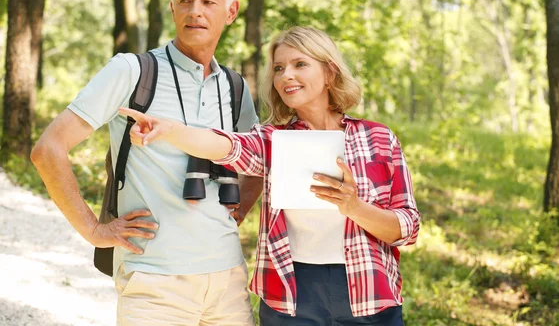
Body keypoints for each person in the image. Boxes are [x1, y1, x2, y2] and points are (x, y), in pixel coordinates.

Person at [120, 26, 421, 325]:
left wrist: (355, 208)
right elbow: (229, 147)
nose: (286, 75)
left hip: (369, 294)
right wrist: (173, 131)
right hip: (291, 296)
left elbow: (407, 227)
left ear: (330, 73)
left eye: (299, 64)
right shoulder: (274, 139)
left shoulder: (378, 138)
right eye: (279, 68)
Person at [30, 0, 262, 326]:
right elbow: (48, 149)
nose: (194, 11)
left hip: (228, 281)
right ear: (172, 8)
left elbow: (258, 162)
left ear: (230, 11)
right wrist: (93, 230)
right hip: (153, 282)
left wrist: (241, 210)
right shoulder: (132, 71)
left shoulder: (235, 88)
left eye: (207, 1)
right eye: (184, 0)